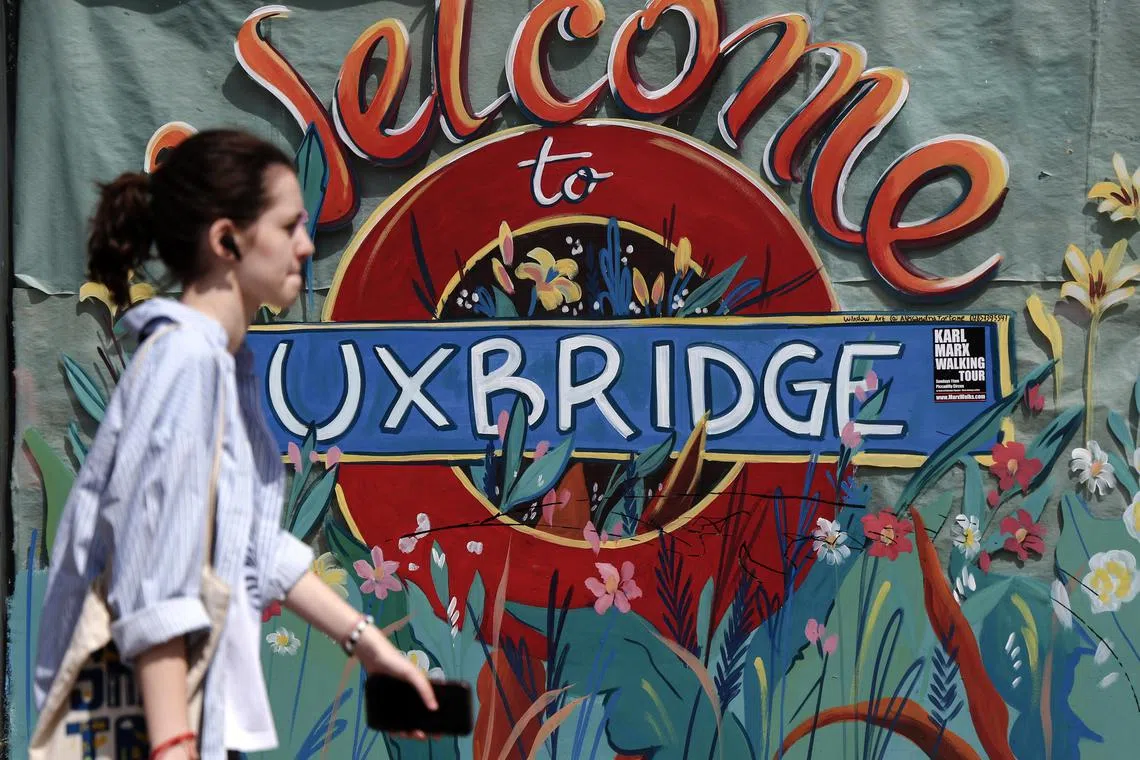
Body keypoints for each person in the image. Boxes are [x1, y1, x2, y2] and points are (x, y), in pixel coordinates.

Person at [35, 129, 437, 760]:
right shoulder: (185, 366)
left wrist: (370, 646)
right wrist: (173, 745)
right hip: (148, 728)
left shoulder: (216, 365)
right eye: (289, 226)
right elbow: (153, 578)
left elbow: (249, 543)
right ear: (227, 241)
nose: (308, 246)